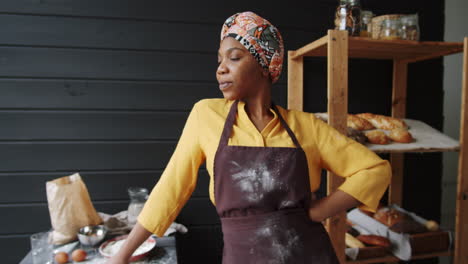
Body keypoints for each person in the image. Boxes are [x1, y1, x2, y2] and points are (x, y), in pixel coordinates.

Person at [107, 11, 391, 264]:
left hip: (309, 253)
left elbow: (375, 170)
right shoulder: (206, 115)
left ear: (265, 65)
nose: (220, 68)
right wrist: (122, 255)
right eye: (219, 60)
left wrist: (320, 212)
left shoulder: (306, 127)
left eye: (234, 57)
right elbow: (170, 189)